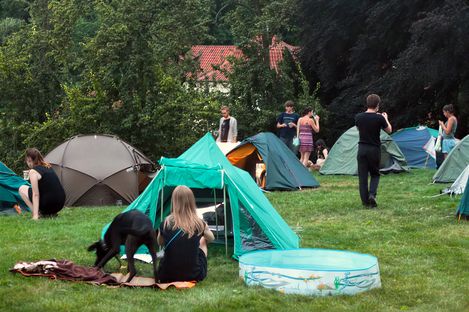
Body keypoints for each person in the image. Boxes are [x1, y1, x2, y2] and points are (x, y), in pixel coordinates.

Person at [157, 185, 215, 283]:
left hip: (166, 275)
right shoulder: (199, 223)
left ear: (174, 202)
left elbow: (160, 242)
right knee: (203, 240)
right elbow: (211, 238)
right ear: (191, 201)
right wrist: (205, 229)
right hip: (194, 275)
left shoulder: (166, 223)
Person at [355, 94, 392, 208]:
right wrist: (385, 117)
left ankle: (365, 201)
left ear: (367, 103)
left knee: (363, 176)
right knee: (375, 174)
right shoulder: (379, 118)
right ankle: (372, 195)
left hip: (361, 149)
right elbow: (389, 130)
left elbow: (358, 128)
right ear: (377, 105)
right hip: (374, 149)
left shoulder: (358, 117)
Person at [18, 148, 66, 220]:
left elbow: (36, 194)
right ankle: (51, 213)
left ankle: (37, 214)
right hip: (60, 203)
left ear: (29, 160)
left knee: (21, 189)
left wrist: (35, 216)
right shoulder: (48, 166)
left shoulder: (33, 172)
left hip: (48, 204)